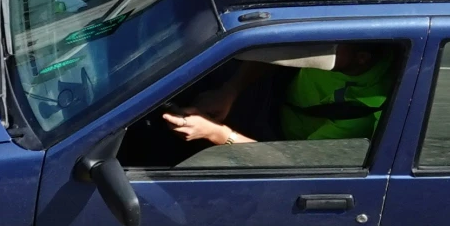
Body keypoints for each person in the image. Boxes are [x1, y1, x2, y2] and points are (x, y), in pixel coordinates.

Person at [162, 43, 395, 148]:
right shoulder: (340, 50)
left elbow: (291, 163)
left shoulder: (364, 109)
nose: (318, 46)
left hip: (274, 140)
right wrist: (230, 91)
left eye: (333, 47)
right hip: (270, 89)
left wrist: (216, 133)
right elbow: (282, 55)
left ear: (362, 58)